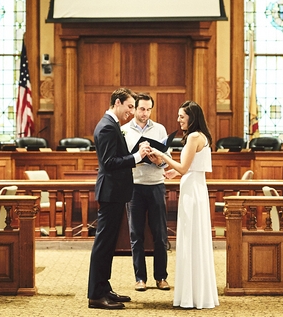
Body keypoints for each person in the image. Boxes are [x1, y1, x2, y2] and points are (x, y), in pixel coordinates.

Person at [149, 101, 219, 309]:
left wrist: (162, 156)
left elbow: (183, 166)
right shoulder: (202, 137)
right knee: (195, 239)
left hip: (192, 192)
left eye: (182, 116)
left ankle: (190, 296)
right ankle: (197, 293)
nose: (179, 120)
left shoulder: (194, 137)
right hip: (196, 187)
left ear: (192, 117)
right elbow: (189, 168)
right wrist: (174, 171)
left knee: (190, 239)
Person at [87, 88, 150, 310]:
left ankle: (104, 288)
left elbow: (115, 157)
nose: (132, 112)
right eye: (130, 106)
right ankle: (96, 295)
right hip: (110, 192)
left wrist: (136, 153)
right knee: (103, 245)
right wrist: (137, 157)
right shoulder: (106, 127)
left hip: (116, 192)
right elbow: (109, 162)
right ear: (117, 103)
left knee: (109, 243)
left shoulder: (112, 125)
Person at [122, 93, 171, 292]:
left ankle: (161, 277)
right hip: (134, 186)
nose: (145, 113)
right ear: (134, 109)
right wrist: (138, 155)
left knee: (160, 234)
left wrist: (159, 160)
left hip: (156, 184)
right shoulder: (123, 130)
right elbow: (122, 159)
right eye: (142, 109)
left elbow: (168, 158)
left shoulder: (159, 129)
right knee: (136, 234)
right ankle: (140, 278)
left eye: (149, 109)